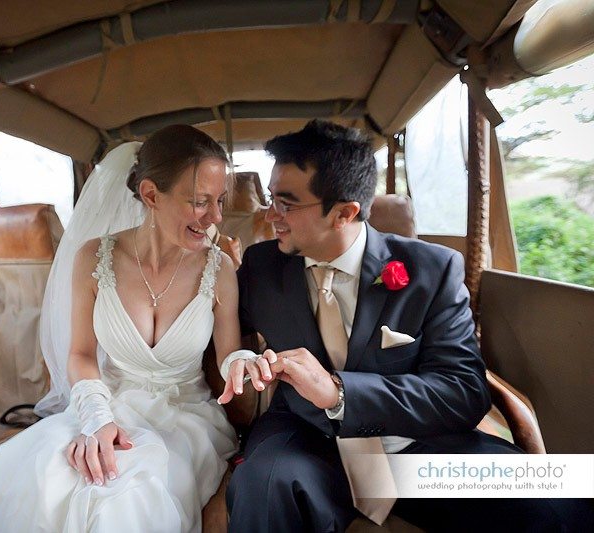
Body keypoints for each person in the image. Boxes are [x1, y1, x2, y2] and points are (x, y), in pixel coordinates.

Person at [221, 120, 593, 532]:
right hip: (307, 444)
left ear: (345, 212)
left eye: (286, 204)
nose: (270, 215)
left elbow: (464, 391)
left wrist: (340, 392)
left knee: (559, 500)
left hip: (414, 448)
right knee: (261, 484)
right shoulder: (260, 267)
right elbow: (224, 339)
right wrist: (242, 359)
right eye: (271, 198)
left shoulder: (431, 270)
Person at [0, 125, 241, 532]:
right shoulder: (93, 258)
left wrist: (246, 361)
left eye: (221, 201)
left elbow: (230, 358)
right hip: (108, 403)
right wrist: (96, 419)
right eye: (200, 202)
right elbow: (81, 355)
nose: (215, 218)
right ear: (150, 195)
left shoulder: (220, 269)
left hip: (186, 419)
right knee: (45, 481)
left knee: (127, 496)